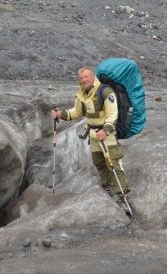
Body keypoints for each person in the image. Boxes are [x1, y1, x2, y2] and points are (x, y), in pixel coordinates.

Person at [51, 67, 131, 210]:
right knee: (99, 162)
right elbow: (76, 112)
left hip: (106, 134)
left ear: (93, 77)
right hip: (94, 135)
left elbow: (113, 115)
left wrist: (106, 131)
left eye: (86, 77)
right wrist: (60, 114)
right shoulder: (82, 93)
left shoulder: (105, 91)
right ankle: (107, 187)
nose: (84, 80)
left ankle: (123, 197)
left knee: (113, 164)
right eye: (81, 78)